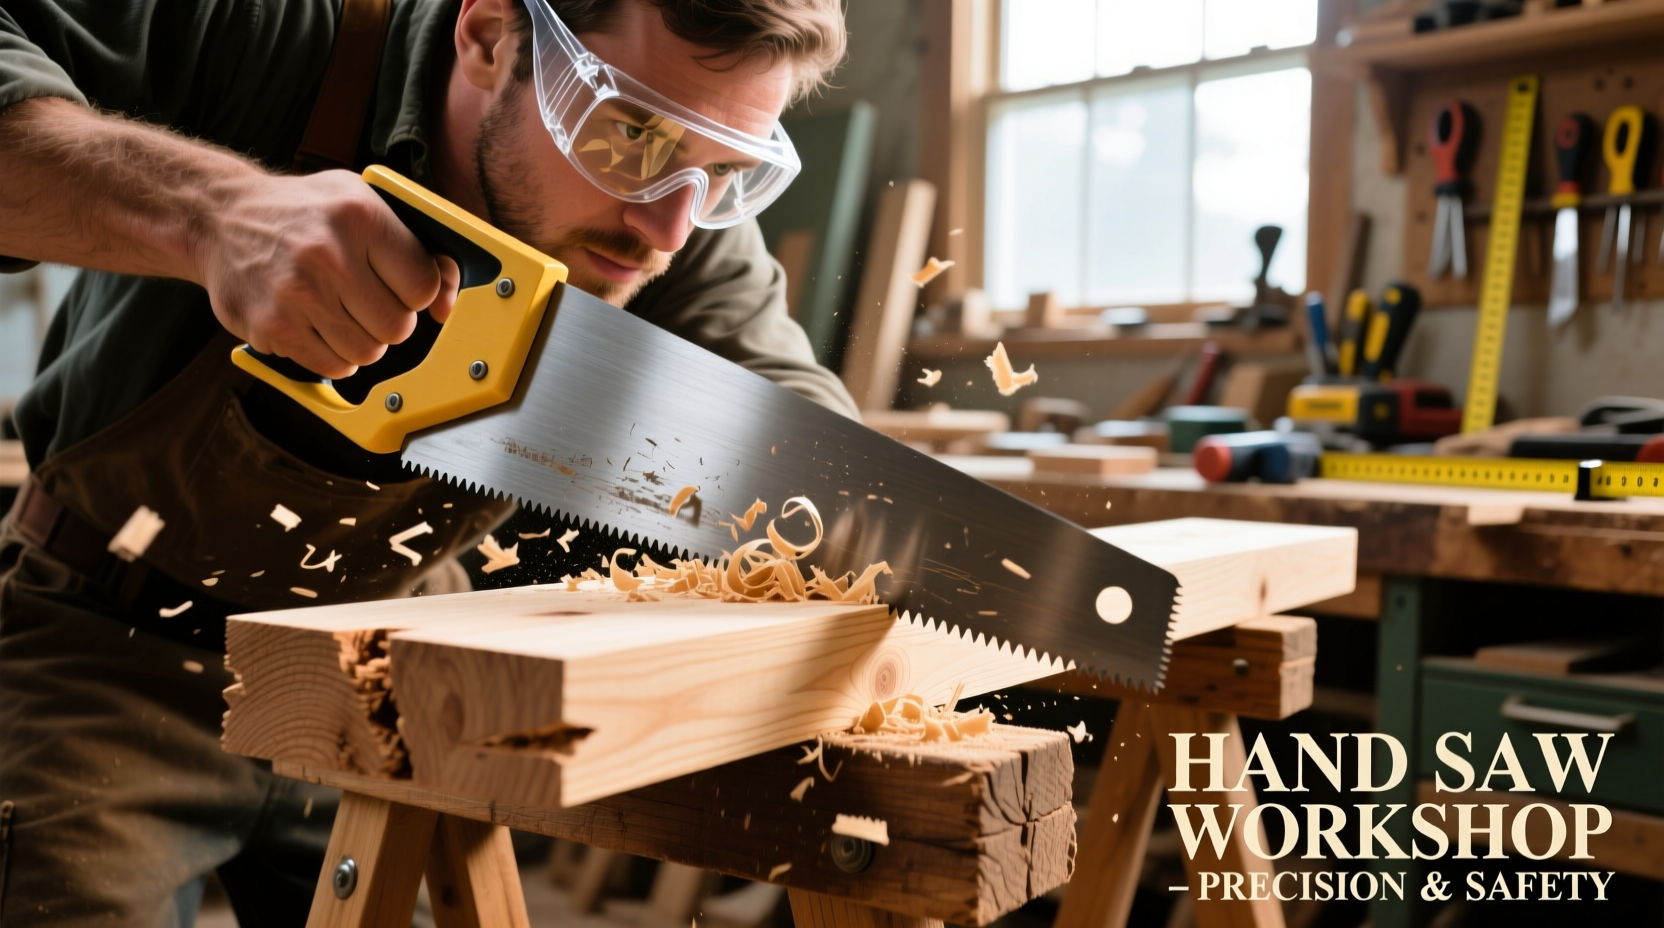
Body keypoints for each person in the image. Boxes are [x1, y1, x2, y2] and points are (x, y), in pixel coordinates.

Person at [0, 0, 853, 921]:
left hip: (393, 676)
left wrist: (847, 532)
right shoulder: (284, 28)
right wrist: (212, 212)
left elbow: (818, 459)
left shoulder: (680, 219)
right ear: (490, 38)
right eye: (634, 135)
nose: (669, 228)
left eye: (726, 169)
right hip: (111, 652)